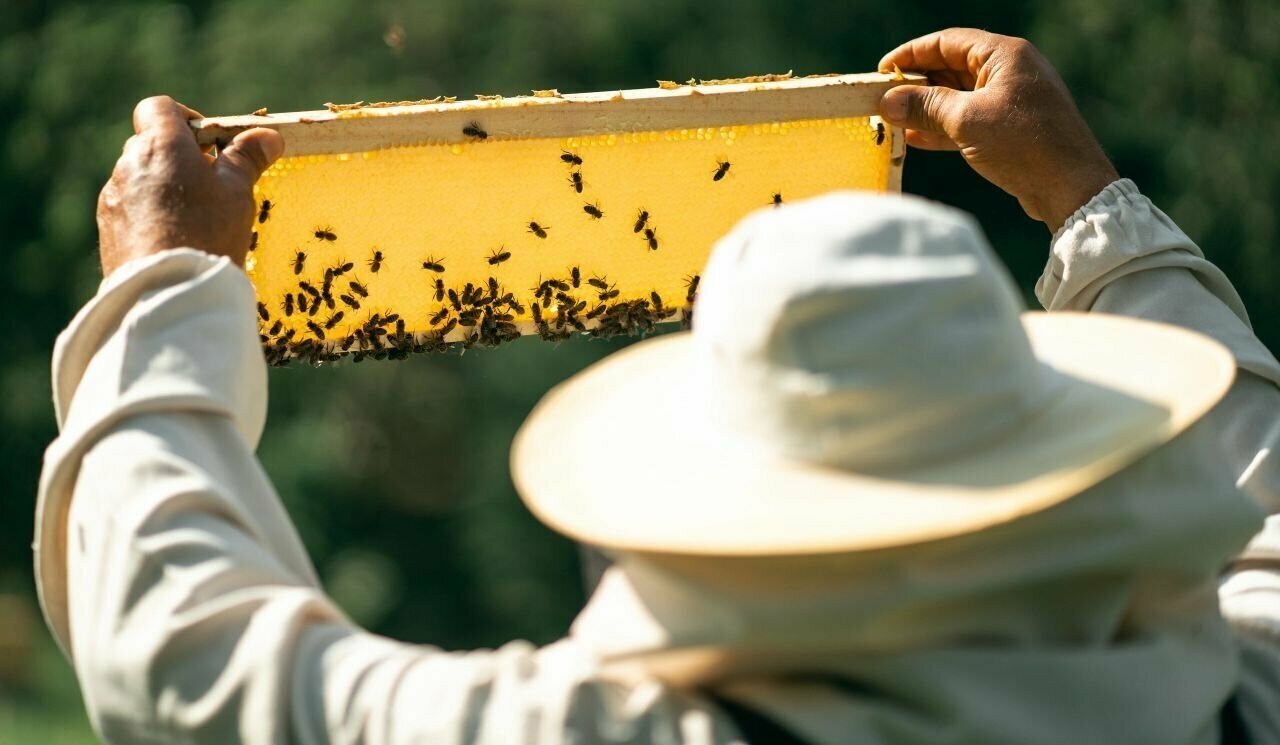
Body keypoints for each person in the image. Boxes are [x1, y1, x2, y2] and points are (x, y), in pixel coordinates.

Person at [33, 27, 1280, 744]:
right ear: (1047, 456)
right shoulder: (1225, 704)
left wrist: (165, 287)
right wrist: (1091, 206)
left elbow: (185, 658)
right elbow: (1260, 514)